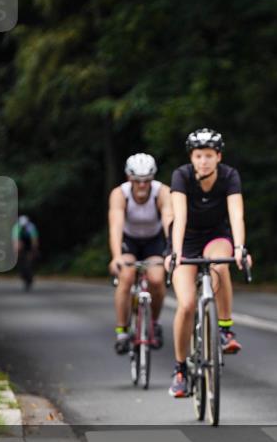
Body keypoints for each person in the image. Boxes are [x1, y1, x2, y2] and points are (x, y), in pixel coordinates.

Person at [164, 129, 252, 398]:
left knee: (220, 264)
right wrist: (175, 253)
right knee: (187, 304)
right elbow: (178, 218)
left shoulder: (229, 176)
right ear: (192, 157)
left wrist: (239, 248)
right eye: (199, 156)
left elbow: (236, 215)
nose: (204, 161)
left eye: (209, 156)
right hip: (186, 239)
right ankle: (180, 369)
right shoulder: (181, 176)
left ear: (218, 157)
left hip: (216, 236)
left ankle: (224, 329)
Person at [108, 153, 173, 355]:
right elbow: (116, 225)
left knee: (156, 279)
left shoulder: (162, 192)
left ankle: (154, 322)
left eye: (147, 180)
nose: (142, 185)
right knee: (126, 276)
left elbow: (168, 221)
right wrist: (116, 256)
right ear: (130, 178)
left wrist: (171, 251)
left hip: (154, 240)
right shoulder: (120, 194)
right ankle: (122, 331)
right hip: (130, 241)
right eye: (138, 181)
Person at [12, 215, 40, 291]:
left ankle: (30, 276)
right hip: (21, 242)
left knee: (30, 261)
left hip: (29, 244)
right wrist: (16, 250)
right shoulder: (16, 227)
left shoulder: (31, 227)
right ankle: (22, 274)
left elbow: (34, 240)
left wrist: (34, 250)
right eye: (22, 226)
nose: (24, 227)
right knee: (19, 259)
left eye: (25, 225)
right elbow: (15, 241)